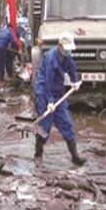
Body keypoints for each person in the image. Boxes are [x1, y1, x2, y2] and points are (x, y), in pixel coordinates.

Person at [34, 32, 86, 166]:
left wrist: (74, 82)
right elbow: (48, 82)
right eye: (66, 48)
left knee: (66, 123)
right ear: (60, 46)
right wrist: (50, 101)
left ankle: (75, 156)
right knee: (44, 125)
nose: (68, 51)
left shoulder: (67, 57)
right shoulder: (51, 57)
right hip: (44, 91)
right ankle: (38, 155)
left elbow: (71, 68)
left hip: (58, 92)